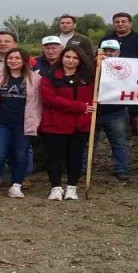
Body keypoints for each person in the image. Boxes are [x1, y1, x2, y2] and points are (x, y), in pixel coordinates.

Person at [0, 47, 41, 198]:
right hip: (0, 123)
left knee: (21, 155)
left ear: (24, 61)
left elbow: (39, 103)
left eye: (17, 58)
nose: (13, 61)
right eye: (10, 58)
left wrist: (37, 121)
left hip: (23, 123)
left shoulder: (35, 79)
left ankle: (16, 186)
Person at [39, 47, 96, 201]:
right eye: (68, 57)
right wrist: (79, 107)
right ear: (62, 58)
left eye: (75, 58)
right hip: (55, 124)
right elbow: (49, 99)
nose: (71, 60)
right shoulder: (49, 76)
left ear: (80, 60)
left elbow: (94, 96)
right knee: (55, 157)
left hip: (80, 125)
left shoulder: (89, 78)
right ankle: (56, 187)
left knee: (75, 157)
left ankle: (72, 187)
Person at [96, 40, 131, 181]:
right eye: (106, 50)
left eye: (112, 50)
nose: (109, 53)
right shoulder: (92, 66)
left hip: (116, 111)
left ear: (118, 52)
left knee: (119, 142)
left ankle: (121, 169)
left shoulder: (127, 68)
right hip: (95, 110)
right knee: (88, 143)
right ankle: (82, 168)